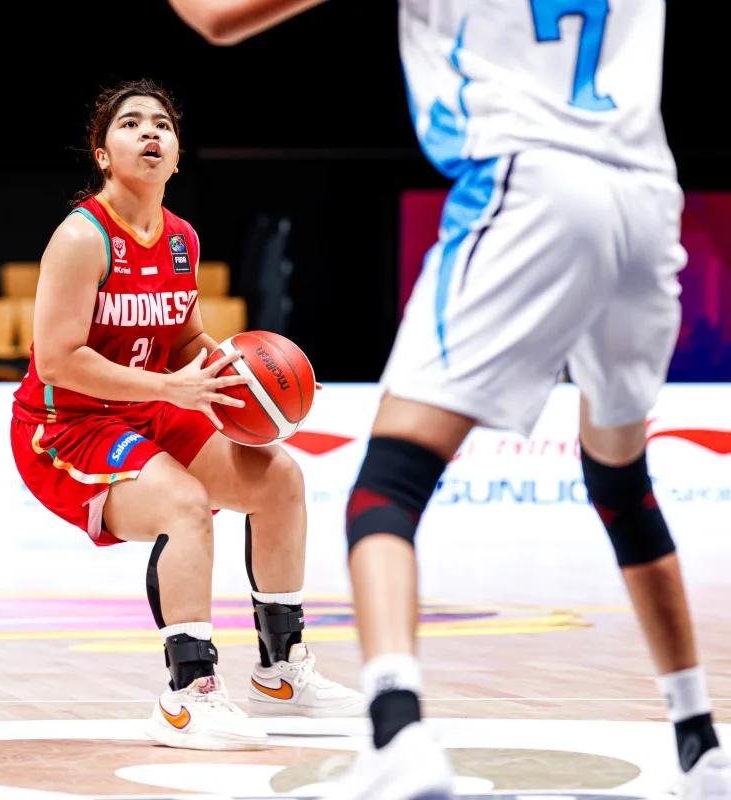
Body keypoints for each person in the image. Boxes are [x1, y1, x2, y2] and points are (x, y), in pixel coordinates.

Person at [170, 1, 731, 797]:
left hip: (529, 186)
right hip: (647, 198)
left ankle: (399, 739)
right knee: (621, 482)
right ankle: (700, 744)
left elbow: (218, 18)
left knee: (385, 488)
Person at [10, 79, 362, 752]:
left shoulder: (181, 241)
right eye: (131, 124)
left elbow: (184, 343)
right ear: (102, 155)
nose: (150, 132)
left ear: (175, 156)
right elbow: (57, 361)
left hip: (150, 407)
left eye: (162, 126)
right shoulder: (82, 238)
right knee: (184, 504)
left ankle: (282, 671)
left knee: (278, 479)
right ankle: (187, 694)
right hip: (64, 429)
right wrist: (168, 388)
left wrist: (240, 371)